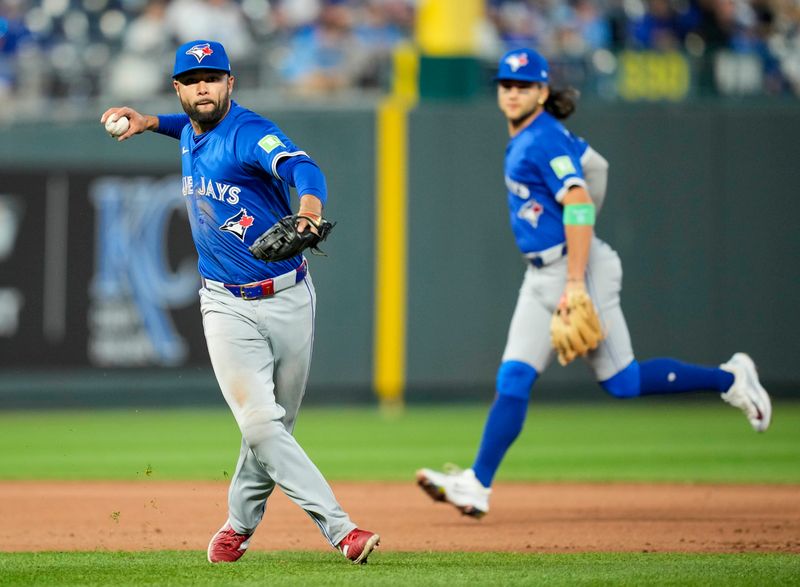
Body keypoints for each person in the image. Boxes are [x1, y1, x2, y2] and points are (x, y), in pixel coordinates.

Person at [416, 47, 772, 519]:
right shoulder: (538, 134)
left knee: (622, 382)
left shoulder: (540, 138)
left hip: (574, 269)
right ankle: (477, 484)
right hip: (543, 274)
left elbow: (580, 199)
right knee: (514, 377)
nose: (514, 92)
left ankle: (731, 378)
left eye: (525, 86)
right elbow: (597, 164)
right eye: (507, 84)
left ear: (542, 92)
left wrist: (578, 282)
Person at [101, 39, 379, 564]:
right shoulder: (188, 130)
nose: (204, 85)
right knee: (259, 424)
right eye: (193, 78)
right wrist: (146, 121)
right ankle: (343, 530)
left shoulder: (250, 132)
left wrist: (310, 210)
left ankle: (237, 525)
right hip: (224, 305)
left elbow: (303, 167)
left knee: (273, 430)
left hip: (289, 298)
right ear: (179, 88)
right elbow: (184, 125)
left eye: (214, 76)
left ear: (231, 83)